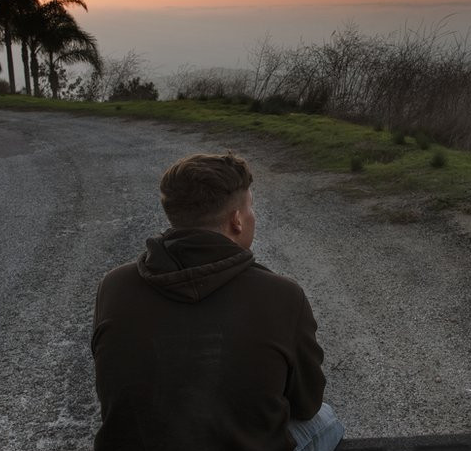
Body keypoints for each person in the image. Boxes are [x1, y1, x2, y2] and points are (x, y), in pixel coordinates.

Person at [91, 153, 344, 451]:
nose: (253, 216)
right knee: (326, 418)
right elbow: (307, 402)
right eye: (250, 208)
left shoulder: (115, 285)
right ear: (236, 220)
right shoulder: (282, 295)